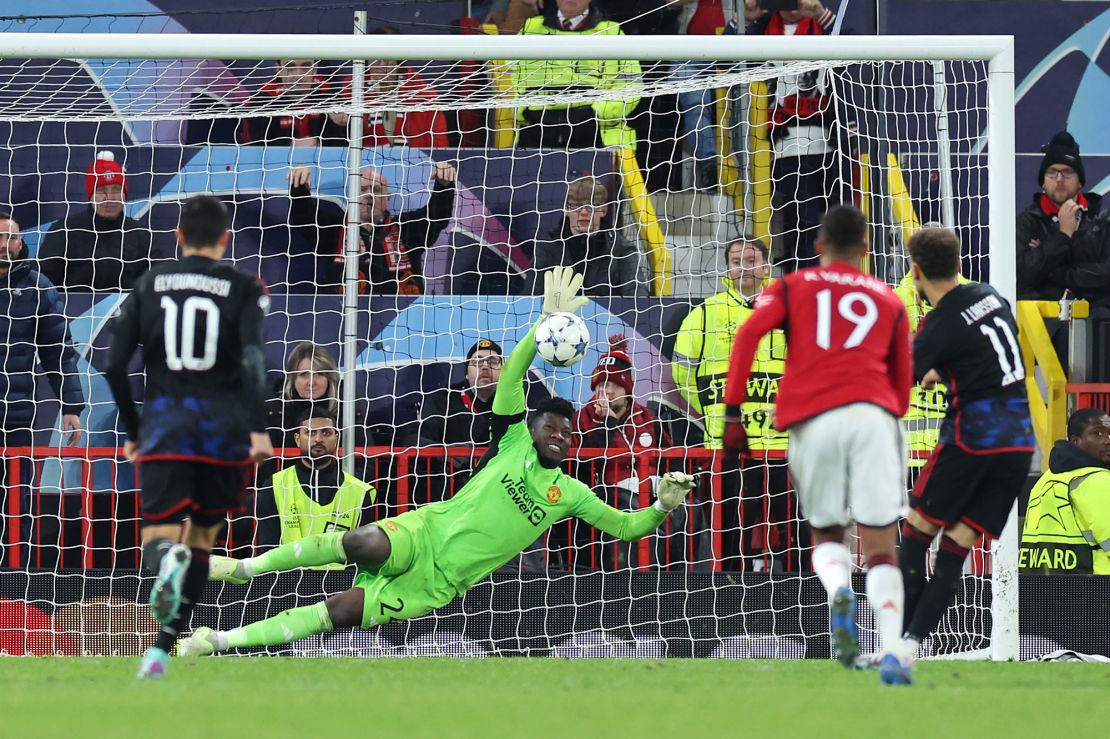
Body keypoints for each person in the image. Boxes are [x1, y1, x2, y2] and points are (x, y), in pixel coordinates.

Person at [180, 267, 695, 656]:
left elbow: (627, 528)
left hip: (437, 582)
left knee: (340, 610)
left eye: (567, 430)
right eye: (550, 426)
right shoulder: (512, 441)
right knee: (360, 541)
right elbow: (512, 378)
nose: (559, 434)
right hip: (424, 530)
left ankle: (219, 641)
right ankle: (244, 569)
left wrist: (661, 506)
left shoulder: (571, 493)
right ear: (532, 428)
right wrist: (544, 323)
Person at [721, 205, 913, 684]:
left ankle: (838, 594)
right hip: (874, 416)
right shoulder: (889, 300)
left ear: (817, 247)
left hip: (814, 417)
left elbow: (747, 337)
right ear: (866, 250)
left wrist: (732, 413)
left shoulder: (792, 286)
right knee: (881, 543)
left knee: (827, 533)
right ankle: (891, 647)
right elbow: (904, 385)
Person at [104, 195, 274, 679]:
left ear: (178, 237)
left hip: (167, 429)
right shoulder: (242, 286)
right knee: (202, 540)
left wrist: (135, 430)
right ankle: (161, 651)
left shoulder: (150, 283)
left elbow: (115, 365)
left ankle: (166, 567)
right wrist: (258, 430)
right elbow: (254, 363)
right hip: (223, 435)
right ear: (224, 240)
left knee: (159, 536)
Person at [897, 225, 1034, 673]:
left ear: (915, 271)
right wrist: (944, 368)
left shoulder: (939, 324)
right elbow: (992, 350)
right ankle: (913, 644)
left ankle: (896, 642)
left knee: (916, 535)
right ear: (958, 264)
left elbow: (898, 381)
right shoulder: (992, 296)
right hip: (1017, 445)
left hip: (972, 439)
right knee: (956, 546)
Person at [673, 238, 801, 571]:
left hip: (783, 446)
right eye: (735, 260)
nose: (742, 266)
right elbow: (682, 373)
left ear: (766, 266)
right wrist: (713, 410)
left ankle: (799, 606)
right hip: (727, 447)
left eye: (750, 259)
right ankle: (728, 604)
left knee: (793, 536)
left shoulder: (793, 311)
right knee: (728, 536)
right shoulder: (704, 313)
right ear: (727, 268)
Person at [0, 211, 83, 534]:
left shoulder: (38, 287)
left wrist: (72, 406)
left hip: (16, 417)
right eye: (1, 236)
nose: (7, 243)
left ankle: (11, 578)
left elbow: (57, 352)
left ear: (21, 243)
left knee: (14, 504)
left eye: (13, 237)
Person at [748, 0, 839, 273]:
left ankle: (819, 273)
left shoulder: (822, 28)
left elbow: (855, 47)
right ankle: (803, 276)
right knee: (800, 219)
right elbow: (727, 59)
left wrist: (821, 14)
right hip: (785, 145)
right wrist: (748, 19)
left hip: (827, 144)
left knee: (830, 218)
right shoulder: (764, 28)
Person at [572, 336, 674, 568]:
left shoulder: (647, 417)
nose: (604, 391)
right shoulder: (582, 418)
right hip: (605, 498)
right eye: (599, 384)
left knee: (691, 509)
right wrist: (605, 424)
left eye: (612, 384)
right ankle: (631, 580)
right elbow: (581, 469)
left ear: (626, 388)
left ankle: (694, 578)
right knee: (625, 503)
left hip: (652, 492)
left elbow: (671, 458)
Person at [287, 162, 456, 295]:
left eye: (376, 189)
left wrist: (444, 185)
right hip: (339, 321)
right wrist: (299, 186)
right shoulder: (333, 229)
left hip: (402, 322)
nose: (369, 194)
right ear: (353, 196)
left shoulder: (407, 228)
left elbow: (436, 217)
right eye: (363, 189)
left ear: (387, 199)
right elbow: (304, 218)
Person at [512, 0, 642, 150]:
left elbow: (630, 86)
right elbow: (509, 79)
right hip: (534, 132)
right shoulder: (529, 29)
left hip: (597, 136)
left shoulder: (612, 32)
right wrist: (525, 110)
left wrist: (595, 113)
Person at [254, 407, 377, 552]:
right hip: (288, 574)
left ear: (336, 438)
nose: (318, 439)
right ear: (297, 439)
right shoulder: (274, 486)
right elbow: (268, 547)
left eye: (326, 433)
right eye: (310, 433)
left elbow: (363, 555)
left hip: (343, 575)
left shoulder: (360, 492)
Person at [1016, 131, 1110, 313]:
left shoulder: (1101, 221)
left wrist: (1055, 272)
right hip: (1045, 322)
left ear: (1080, 182)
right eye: (1052, 173)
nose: (1059, 179)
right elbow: (1023, 277)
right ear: (1043, 182)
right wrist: (1063, 235)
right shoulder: (1028, 223)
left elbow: (1106, 276)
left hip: (1097, 319)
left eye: (1067, 172)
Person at [38, 151, 159, 291]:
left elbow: (157, 282)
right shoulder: (64, 230)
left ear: (125, 195)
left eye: (116, 189)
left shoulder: (141, 234)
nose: (109, 197)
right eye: (101, 190)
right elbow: (43, 283)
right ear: (90, 195)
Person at [325, 26, 448, 150]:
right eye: (376, 57)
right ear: (366, 60)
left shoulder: (425, 97)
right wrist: (346, 126)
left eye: (387, 56)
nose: (382, 64)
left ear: (399, 60)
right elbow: (339, 148)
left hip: (413, 166)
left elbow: (440, 151)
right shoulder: (350, 93)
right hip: (366, 166)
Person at [1020, 409, 1110, 574]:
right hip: (1095, 591)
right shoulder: (1099, 481)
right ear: (1076, 441)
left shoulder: (1045, 480)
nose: (1107, 441)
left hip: (1037, 589)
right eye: (1098, 434)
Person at [529, 176, 647, 297]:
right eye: (576, 206)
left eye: (592, 206)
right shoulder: (547, 246)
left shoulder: (622, 249)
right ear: (566, 210)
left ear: (604, 210)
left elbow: (638, 297)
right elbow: (530, 296)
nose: (584, 212)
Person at [238, 59, 345, 147]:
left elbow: (347, 148)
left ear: (315, 69)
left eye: (306, 66)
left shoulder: (332, 98)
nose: (299, 75)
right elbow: (252, 148)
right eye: (290, 67)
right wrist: (290, 145)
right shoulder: (262, 102)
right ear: (278, 70)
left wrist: (345, 126)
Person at [266, 341, 340, 449]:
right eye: (304, 374)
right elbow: (266, 462)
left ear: (329, 378)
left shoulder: (346, 405)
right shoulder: (275, 408)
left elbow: (366, 459)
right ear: (292, 379)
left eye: (319, 374)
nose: (311, 382)